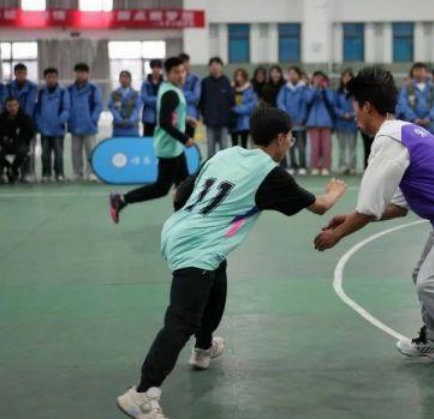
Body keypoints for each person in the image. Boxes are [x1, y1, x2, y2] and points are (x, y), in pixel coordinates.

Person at [116, 107, 347, 419]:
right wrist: (334, 192)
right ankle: (142, 394)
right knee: (181, 321)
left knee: (217, 274)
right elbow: (320, 207)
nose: (291, 143)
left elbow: (180, 195)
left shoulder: (226, 154)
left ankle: (204, 347)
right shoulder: (270, 174)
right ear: (280, 139)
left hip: (178, 230)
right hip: (195, 248)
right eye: (291, 138)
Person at [314, 65, 434, 402]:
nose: (354, 114)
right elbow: (397, 206)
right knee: (423, 275)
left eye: (355, 107)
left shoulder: (388, 140)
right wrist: (351, 217)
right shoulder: (405, 132)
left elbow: (369, 210)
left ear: (366, 107)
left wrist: (338, 234)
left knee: (430, 284)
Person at [109, 57, 196, 223]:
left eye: (183, 71)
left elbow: (169, 114)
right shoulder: (171, 93)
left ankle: (181, 220)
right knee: (162, 188)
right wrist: (185, 138)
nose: (181, 75)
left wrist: (184, 119)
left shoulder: (167, 87)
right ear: (167, 73)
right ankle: (121, 199)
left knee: (184, 185)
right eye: (176, 72)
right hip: (169, 148)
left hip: (175, 147)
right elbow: (164, 122)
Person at [34, 67, 70, 182]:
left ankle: (59, 174)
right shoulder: (40, 92)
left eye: (54, 77)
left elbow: (67, 109)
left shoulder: (63, 92)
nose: (51, 79)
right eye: (49, 77)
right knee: (45, 154)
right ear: (45, 78)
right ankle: (46, 174)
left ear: (57, 78)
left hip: (58, 129)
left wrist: (60, 121)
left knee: (58, 154)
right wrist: (39, 124)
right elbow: (37, 110)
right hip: (44, 129)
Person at [68, 63, 102, 181]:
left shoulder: (94, 88)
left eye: (82, 72)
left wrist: (93, 119)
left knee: (91, 150)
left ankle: (92, 172)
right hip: (74, 125)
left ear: (87, 74)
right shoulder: (70, 89)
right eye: (78, 72)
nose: (80, 75)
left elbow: (98, 105)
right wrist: (69, 120)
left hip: (89, 126)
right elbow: (67, 105)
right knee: (75, 151)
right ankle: (77, 173)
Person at [5, 63, 39, 180]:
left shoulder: (33, 87)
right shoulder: (8, 87)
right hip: (11, 122)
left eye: (23, 73)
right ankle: (12, 170)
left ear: (26, 73)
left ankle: (27, 173)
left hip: (27, 122)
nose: (21, 75)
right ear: (15, 74)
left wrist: (22, 119)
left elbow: (30, 105)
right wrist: (12, 115)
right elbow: (6, 103)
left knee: (28, 148)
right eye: (18, 73)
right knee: (13, 146)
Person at [0, 96, 35, 184]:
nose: (12, 108)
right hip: (4, 145)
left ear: (18, 105)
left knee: (23, 151)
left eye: (14, 105)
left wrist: (17, 140)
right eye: (9, 106)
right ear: (5, 107)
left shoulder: (25, 118)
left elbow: (30, 133)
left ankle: (13, 169)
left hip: (19, 144)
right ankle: (6, 170)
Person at [200, 57, 235, 159]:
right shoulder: (205, 82)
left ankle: (224, 168)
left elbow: (231, 101)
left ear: (221, 67)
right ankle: (210, 168)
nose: (215, 68)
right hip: (210, 121)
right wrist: (205, 115)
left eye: (217, 65)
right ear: (209, 67)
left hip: (224, 122)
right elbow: (201, 101)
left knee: (224, 149)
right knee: (210, 149)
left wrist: (229, 117)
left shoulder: (226, 81)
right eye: (212, 65)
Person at [276, 66, 308, 174]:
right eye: (290, 74)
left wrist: (302, 118)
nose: (292, 76)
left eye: (294, 73)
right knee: (290, 145)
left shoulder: (303, 88)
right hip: (288, 123)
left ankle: (302, 165)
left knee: (301, 146)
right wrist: (285, 116)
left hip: (300, 122)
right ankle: (293, 165)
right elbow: (280, 102)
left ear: (299, 75)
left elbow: (304, 104)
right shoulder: (285, 88)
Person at [305, 71, 336, 176]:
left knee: (326, 146)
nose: (318, 80)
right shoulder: (309, 90)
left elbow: (331, 102)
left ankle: (326, 167)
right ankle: (314, 166)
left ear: (325, 80)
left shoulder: (328, 90)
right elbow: (308, 100)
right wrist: (315, 88)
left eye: (321, 78)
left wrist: (325, 89)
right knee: (314, 147)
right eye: (316, 78)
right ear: (313, 79)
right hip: (313, 122)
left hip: (326, 122)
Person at [334, 69, 358, 175]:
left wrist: (352, 114)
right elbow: (334, 106)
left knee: (352, 146)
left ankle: (352, 166)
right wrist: (342, 114)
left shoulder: (356, 93)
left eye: (349, 76)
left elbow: (358, 106)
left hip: (352, 123)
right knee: (342, 146)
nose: (347, 78)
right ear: (341, 78)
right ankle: (343, 166)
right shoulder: (337, 93)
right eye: (344, 76)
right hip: (340, 123)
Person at [398, 62, 433, 129]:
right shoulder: (407, 87)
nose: (418, 73)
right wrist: (414, 118)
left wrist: (429, 118)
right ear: (413, 72)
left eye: (421, 71)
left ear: (426, 72)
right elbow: (403, 104)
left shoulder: (432, 87)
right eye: (416, 70)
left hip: (429, 124)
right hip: (412, 124)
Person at [230, 68, 257, 149]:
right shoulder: (231, 89)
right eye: (237, 75)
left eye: (241, 75)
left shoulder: (250, 89)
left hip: (245, 121)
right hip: (233, 121)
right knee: (234, 146)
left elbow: (252, 105)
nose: (239, 78)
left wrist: (237, 109)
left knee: (244, 145)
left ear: (245, 77)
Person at [109, 71, 142, 138]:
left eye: (126, 77)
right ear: (119, 79)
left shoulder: (136, 94)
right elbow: (112, 108)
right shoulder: (114, 94)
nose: (124, 79)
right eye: (122, 77)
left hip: (132, 129)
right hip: (118, 128)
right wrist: (120, 120)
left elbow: (137, 109)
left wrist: (130, 120)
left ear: (130, 79)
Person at [179, 53, 201, 139]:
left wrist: (181, 93)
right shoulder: (176, 78)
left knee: (190, 142)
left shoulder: (196, 79)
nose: (185, 65)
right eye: (183, 63)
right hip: (178, 115)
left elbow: (196, 97)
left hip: (191, 115)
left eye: (187, 62)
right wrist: (189, 93)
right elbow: (173, 96)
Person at [141, 60, 163, 137]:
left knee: (161, 140)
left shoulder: (165, 83)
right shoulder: (145, 83)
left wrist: (152, 100)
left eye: (158, 67)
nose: (156, 69)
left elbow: (165, 99)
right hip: (148, 117)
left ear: (161, 69)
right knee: (147, 140)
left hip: (162, 117)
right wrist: (158, 100)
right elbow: (144, 98)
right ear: (151, 68)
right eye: (154, 67)